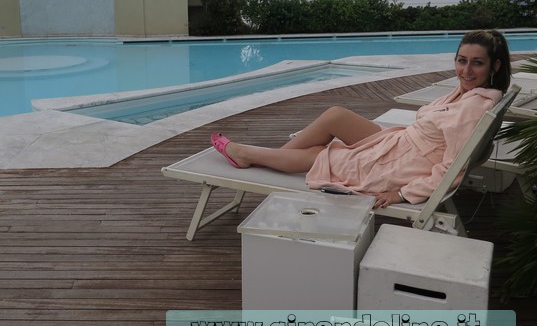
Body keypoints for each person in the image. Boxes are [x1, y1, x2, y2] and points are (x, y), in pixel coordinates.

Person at [211, 29, 512, 209]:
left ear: (494, 66)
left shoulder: (473, 107)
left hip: (402, 166)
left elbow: (452, 169)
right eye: (462, 61)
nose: (466, 71)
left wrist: (402, 194)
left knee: (320, 156)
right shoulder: (466, 93)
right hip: (400, 143)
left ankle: (246, 155)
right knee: (336, 116)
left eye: (477, 64)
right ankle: (276, 158)